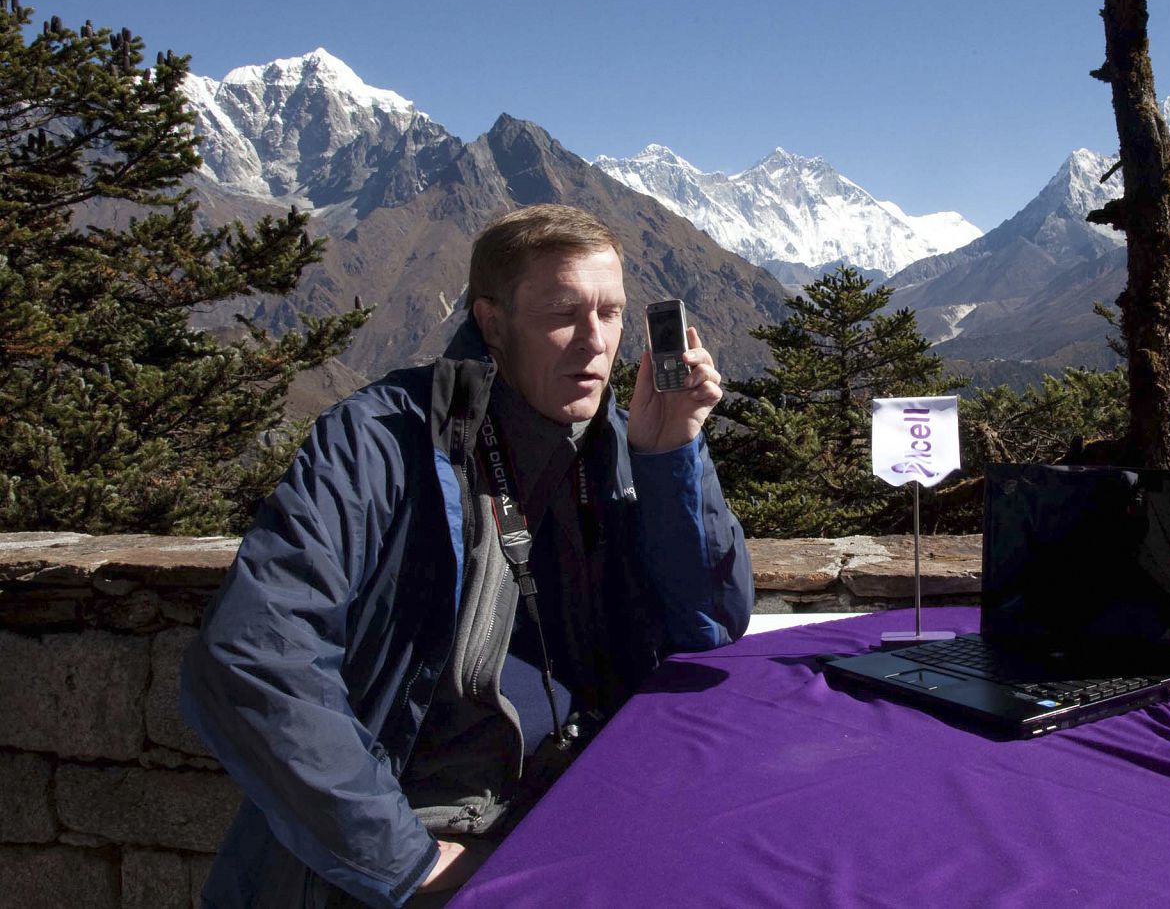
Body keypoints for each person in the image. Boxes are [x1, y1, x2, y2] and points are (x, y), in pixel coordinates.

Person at [182, 204, 753, 907]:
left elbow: (710, 625)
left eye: (610, 313)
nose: (593, 342)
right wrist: (403, 861)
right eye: (562, 313)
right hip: (441, 826)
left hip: (593, 803)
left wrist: (668, 459)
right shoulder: (381, 442)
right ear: (492, 322)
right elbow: (252, 653)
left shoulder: (623, 438)